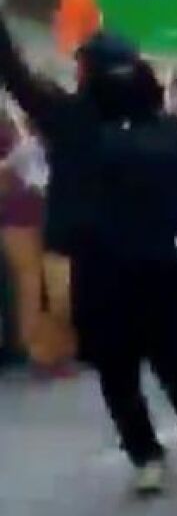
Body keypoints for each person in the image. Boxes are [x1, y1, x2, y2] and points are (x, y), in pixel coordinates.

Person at [0, 2, 177, 495]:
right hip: (102, 267)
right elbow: (18, 78)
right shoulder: (71, 122)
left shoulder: (169, 129)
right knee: (117, 369)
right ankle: (146, 458)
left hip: (170, 266)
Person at [0, 106, 74, 373]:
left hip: (43, 216)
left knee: (56, 287)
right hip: (18, 219)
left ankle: (53, 350)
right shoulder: (16, 137)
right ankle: (41, 354)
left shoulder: (19, 128)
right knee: (31, 288)